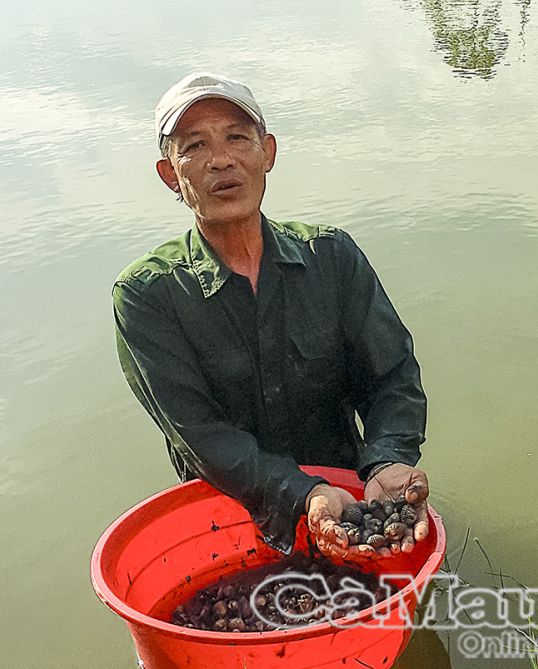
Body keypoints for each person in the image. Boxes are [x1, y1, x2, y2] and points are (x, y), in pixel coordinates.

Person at [112, 72, 430, 561]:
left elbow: (392, 375)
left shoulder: (332, 256)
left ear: (268, 153)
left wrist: (388, 458)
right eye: (195, 145)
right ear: (170, 173)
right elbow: (198, 434)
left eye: (237, 137)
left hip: (349, 491)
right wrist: (302, 493)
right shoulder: (147, 296)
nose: (221, 159)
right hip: (228, 515)